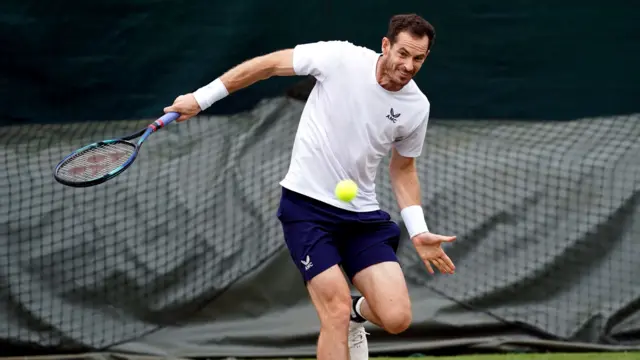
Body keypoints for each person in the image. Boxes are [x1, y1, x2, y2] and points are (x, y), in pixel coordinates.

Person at [164, 13, 456, 360]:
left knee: (396, 319)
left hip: (362, 217)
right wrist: (201, 98)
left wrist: (419, 230)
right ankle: (343, 316)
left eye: (418, 58)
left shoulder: (415, 107)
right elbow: (270, 64)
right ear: (386, 45)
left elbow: (404, 168)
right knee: (331, 310)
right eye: (403, 53)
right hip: (307, 208)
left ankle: (356, 315)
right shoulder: (340, 58)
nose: (408, 65)